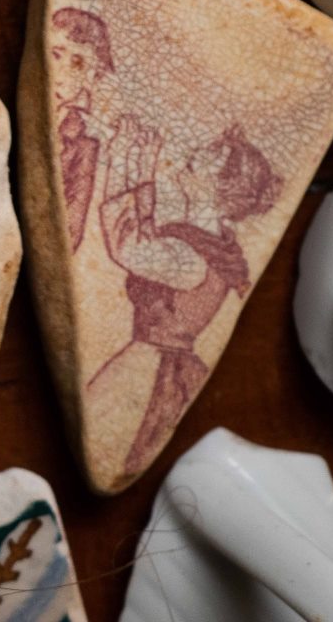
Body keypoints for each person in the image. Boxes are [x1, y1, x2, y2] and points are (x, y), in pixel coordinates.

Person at [89, 115, 281, 475]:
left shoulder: (194, 258)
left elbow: (126, 244)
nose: (198, 152)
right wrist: (139, 166)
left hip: (150, 368)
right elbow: (145, 234)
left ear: (222, 188)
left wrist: (120, 160)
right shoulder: (206, 243)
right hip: (158, 362)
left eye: (210, 156)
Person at [49, 7, 115, 251]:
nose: (61, 74)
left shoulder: (84, 148)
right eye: (56, 55)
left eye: (77, 63)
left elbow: (69, 235)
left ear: (92, 77)